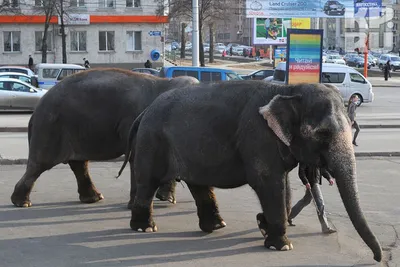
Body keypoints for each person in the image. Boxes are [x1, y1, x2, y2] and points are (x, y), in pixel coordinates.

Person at [288, 163, 337, 234]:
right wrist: (306, 182)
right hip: (312, 183)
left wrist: (329, 178)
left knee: (306, 201)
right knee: (320, 203)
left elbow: (322, 170)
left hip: (314, 182)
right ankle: (325, 227)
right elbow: (301, 173)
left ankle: (289, 216)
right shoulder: (304, 158)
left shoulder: (316, 158)